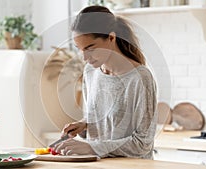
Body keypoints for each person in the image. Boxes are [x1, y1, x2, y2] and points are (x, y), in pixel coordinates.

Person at [53, 5, 157, 159]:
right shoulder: (90, 72)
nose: (85, 58)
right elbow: (99, 122)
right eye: (79, 49)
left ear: (111, 37)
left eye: (90, 48)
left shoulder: (140, 78)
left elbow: (142, 144)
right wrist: (84, 125)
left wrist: (91, 147)